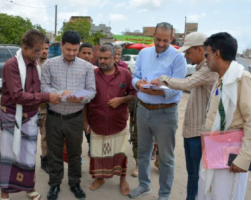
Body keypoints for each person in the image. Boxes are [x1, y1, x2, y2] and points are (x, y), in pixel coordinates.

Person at [151, 32, 218, 200]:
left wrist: (163, 79)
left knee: (196, 174)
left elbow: (186, 83)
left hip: (199, 132)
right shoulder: (200, 69)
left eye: (188, 52)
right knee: (192, 172)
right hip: (192, 131)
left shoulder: (208, 69)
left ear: (200, 50)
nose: (186, 56)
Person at [129, 22, 187, 200]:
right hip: (142, 110)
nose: (161, 43)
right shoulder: (144, 53)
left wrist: (159, 89)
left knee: (166, 158)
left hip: (165, 113)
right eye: (158, 39)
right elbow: (135, 76)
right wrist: (138, 84)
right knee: (143, 153)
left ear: (171, 38)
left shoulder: (178, 58)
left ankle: (164, 194)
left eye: (165, 40)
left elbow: (177, 88)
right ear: (153, 36)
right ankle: (144, 185)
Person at [0, 29, 55, 200]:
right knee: (9, 156)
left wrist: (55, 94)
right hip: (11, 116)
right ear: (24, 47)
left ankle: (29, 187)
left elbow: (37, 90)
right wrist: (47, 97)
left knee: (28, 156)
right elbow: (18, 96)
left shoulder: (35, 64)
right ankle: (4, 193)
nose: (39, 55)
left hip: (30, 116)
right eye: (36, 51)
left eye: (42, 50)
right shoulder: (12, 65)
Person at [41, 30, 96, 200]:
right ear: (61, 46)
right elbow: (44, 88)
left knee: (74, 153)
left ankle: (74, 183)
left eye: (75, 50)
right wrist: (60, 93)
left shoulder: (86, 67)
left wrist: (80, 97)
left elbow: (92, 91)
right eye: (68, 50)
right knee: (54, 153)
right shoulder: (49, 64)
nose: (71, 53)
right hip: (54, 117)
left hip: (75, 118)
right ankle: (54, 185)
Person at [198, 32, 251, 200]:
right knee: (209, 192)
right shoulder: (221, 80)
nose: (206, 59)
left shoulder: (242, 78)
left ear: (217, 54)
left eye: (207, 55)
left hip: (232, 158)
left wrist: (244, 158)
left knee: (226, 195)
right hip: (215, 150)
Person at [84, 44, 136, 195]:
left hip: (118, 123)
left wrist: (121, 100)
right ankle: (100, 178)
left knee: (120, 153)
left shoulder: (125, 74)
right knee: (97, 153)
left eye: (106, 58)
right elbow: (85, 100)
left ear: (115, 58)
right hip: (97, 122)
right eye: (100, 58)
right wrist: (85, 122)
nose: (102, 61)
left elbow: (133, 94)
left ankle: (122, 180)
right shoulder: (92, 74)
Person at [38, 37, 50, 174]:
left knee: (46, 136)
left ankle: (45, 160)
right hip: (30, 109)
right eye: (41, 49)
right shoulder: (29, 65)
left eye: (46, 48)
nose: (44, 51)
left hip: (46, 108)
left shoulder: (51, 65)